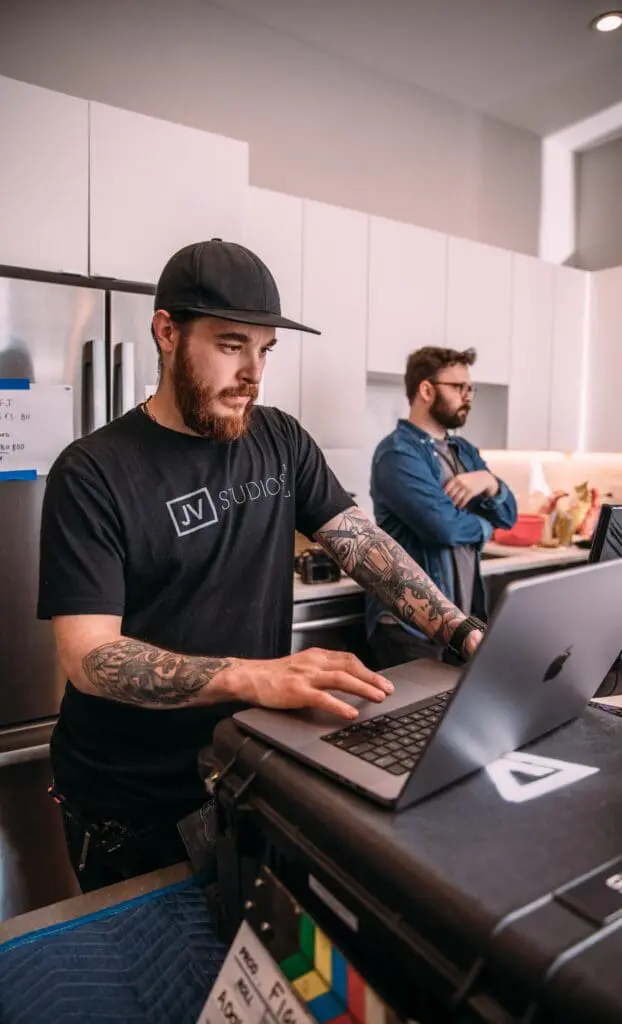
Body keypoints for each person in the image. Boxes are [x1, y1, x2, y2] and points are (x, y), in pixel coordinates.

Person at [38, 243, 484, 893]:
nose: (253, 372)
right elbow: (88, 656)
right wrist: (257, 676)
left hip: (243, 766)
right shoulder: (92, 472)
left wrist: (461, 631)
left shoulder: (279, 439)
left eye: (265, 349)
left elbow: (364, 546)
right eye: (229, 344)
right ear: (166, 331)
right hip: (132, 803)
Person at [367, 346, 517, 669]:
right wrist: (483, 527)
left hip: (460, 624)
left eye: (470, 387)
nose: (468, 396)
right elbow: (443, 528)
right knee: (416, 720)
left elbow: (509, 515)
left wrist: (489, 482)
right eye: (458, 387)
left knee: (453, 717)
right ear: (426, 389)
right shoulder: (397, 454)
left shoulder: (463, 451)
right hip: (410, 625)